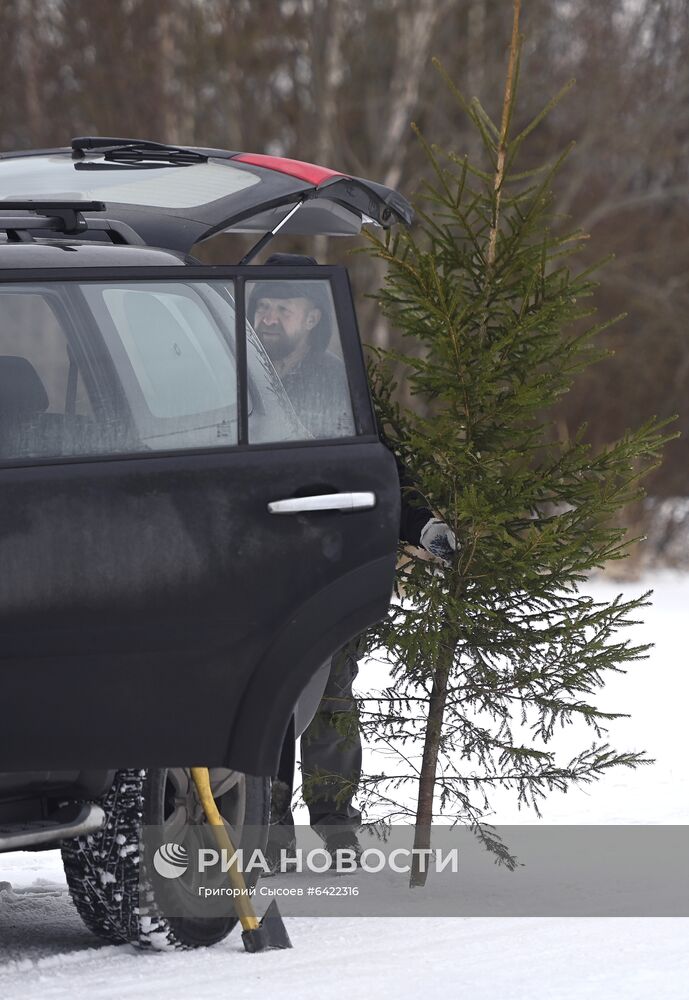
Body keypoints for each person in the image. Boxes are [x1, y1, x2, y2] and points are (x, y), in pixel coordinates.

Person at [250, 255, 456, 867]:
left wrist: (423, 524)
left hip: (327, 565)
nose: (269, 317)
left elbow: (381, 469)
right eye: (261, 306)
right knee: (266, 702)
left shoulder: (339, 389)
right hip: (250, 567)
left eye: (282, 307)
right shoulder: (231, 381)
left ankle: (336, 826)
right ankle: (270, 829)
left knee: (330, 695)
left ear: (314, 317)